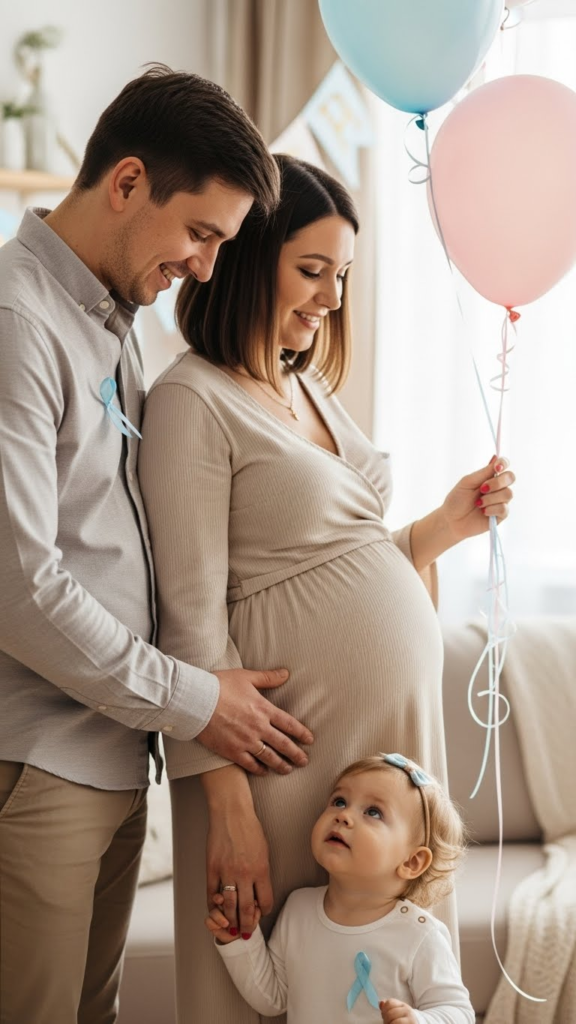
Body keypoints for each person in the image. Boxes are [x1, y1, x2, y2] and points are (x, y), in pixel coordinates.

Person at [138, 153, 514, 1024]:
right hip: (278, 762)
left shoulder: (301, 385)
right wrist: (224, 800)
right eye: (312, 270)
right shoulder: (193, 399)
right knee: (273, 986)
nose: (332, 298)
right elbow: (186, 614)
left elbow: (333, 550)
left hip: (377, 747)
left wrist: (437, 532)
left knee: (399, 993)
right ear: (244, 257)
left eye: (341, 274)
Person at [0, 70, 314, 1024]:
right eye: (202, 234)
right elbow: (18, 582)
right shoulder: (19, 322)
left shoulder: (115, 324)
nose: (208, 268)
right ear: (127, 183)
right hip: (42, 761)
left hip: (110, 756)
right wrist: (194, 701)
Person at [206, 753, 475, 1023]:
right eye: (339, 801)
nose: (344, 816)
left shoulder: (419, 934)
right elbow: (273, 998)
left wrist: (420, 1020)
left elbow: (459, 1012)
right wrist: (240, 940)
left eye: (373, 812)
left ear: (412, 861)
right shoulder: (299, 908)